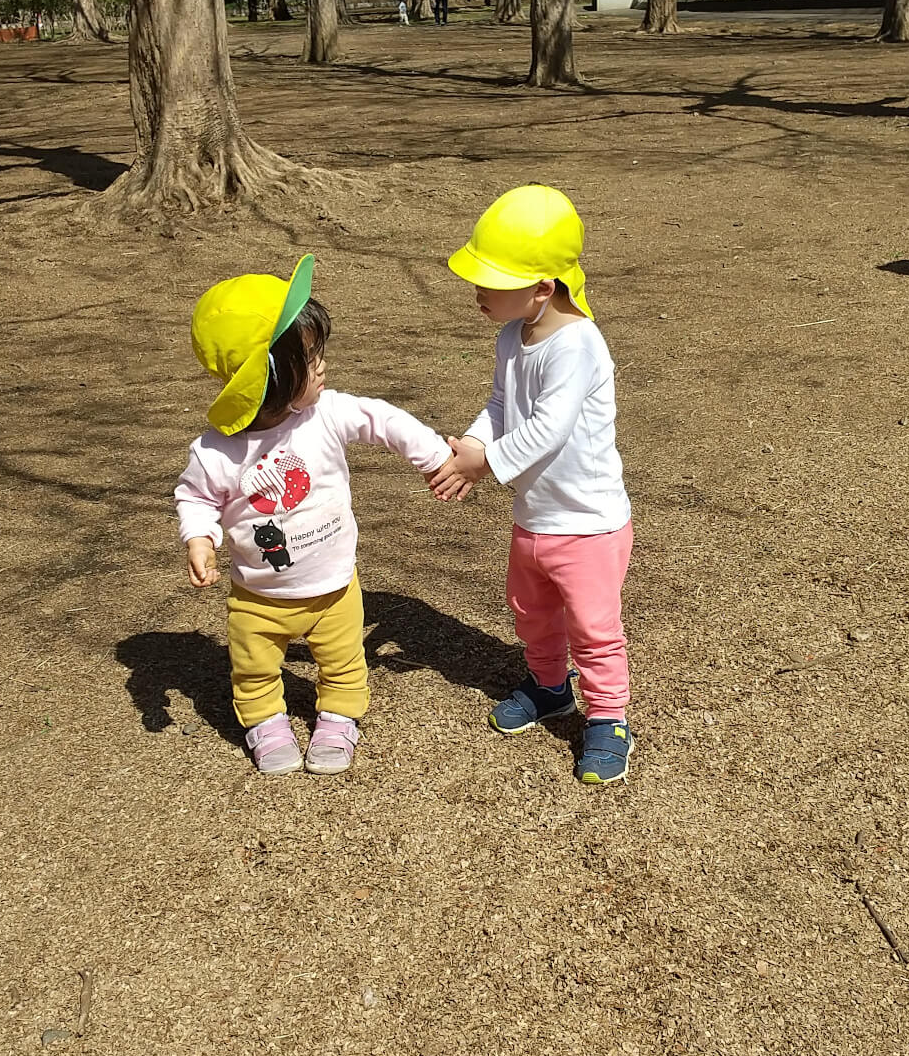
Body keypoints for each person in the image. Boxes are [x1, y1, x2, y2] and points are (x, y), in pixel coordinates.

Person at [175, 256, 453, 777]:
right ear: (271, 375)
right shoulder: (218, 450)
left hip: (334, 586)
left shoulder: (325, 413)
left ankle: (338, 718)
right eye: (310, 357)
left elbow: (383, 419)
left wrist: (435, 457)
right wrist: (199, 538)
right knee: (254, 669)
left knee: (344, 663)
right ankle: (265, 723)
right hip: (258, 596)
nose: (323, 365)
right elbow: (196, 497)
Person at [429, 186, 636, 786]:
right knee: (532, 614)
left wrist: (483, 464)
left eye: (491, 281)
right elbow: (500, 405)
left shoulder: (577, 345)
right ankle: (549, 688)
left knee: (594, 628)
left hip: (588, 525)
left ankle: (607, 717)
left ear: (544, 287)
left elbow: (549, 428)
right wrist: (469, 446)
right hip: (535, 517)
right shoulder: (511, 337)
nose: (479, 292)